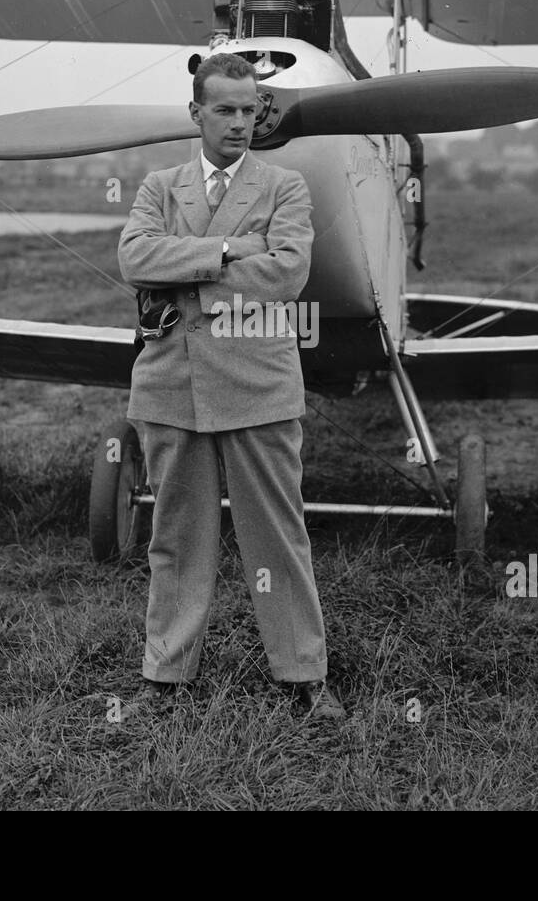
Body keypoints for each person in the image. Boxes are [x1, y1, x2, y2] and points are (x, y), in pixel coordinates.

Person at [116, 51, 345, 721]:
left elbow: (286, 276)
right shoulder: (159, 187)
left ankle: (304, 678)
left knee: (278, 534)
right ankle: (165, 677)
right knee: (177, 535)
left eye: (251, 110)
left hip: (258, 383)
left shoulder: (287, 188)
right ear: (197, 113)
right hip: (171, 384)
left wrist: (184, 277)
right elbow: (134, 257)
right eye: (226, 110)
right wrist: (224, 251)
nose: (241, 123)